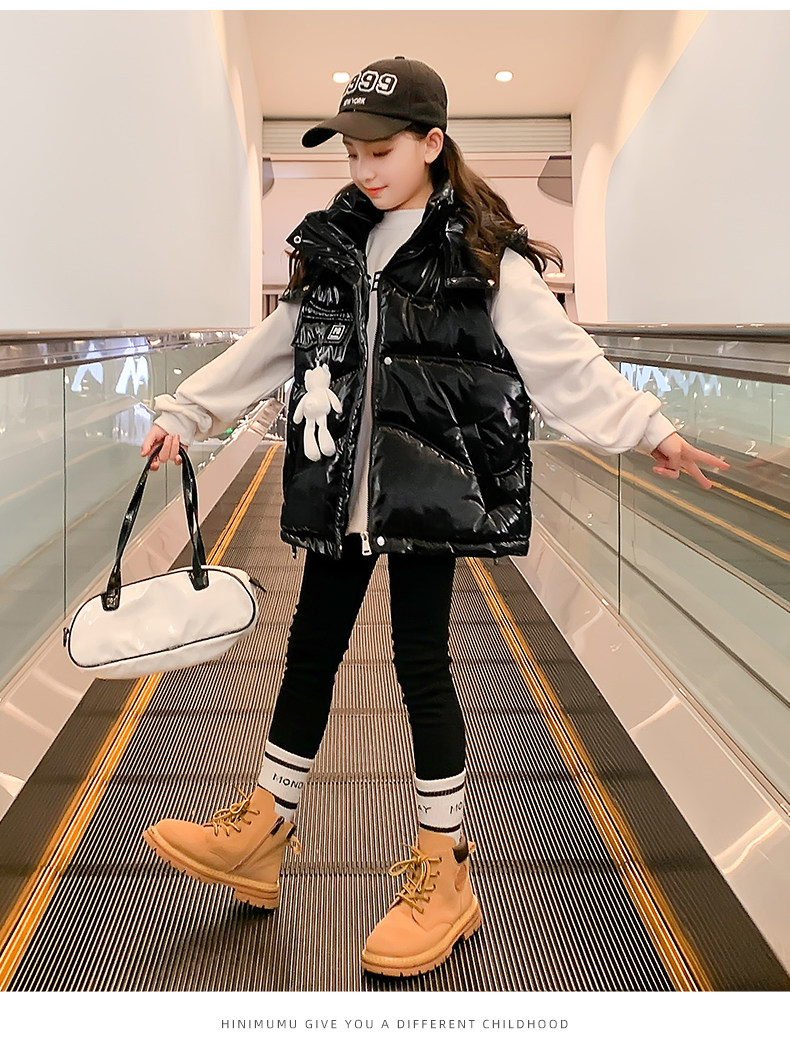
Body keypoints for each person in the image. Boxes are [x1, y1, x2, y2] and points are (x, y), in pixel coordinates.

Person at [140, 56, 729, 978]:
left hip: (427, 490)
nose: (364, 169)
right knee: (309, 649)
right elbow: (273, 347)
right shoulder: (336, 249)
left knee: (422, 664)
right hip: (339, 488)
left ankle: (445, 868)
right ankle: (263, 831)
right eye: (352, 154)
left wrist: (650, 427)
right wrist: (187, 412)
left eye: (380, 150)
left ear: (431, 143)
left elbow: (561, 358)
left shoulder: (480, 256)